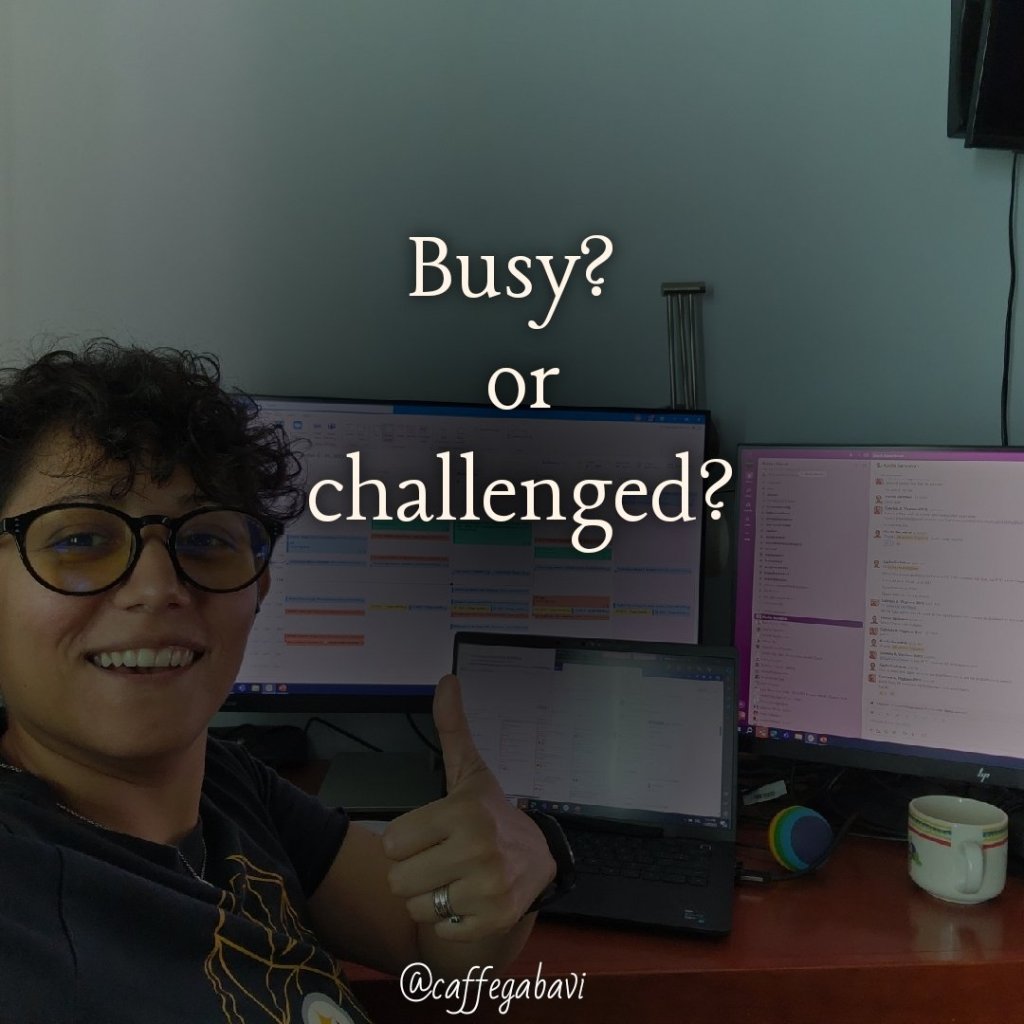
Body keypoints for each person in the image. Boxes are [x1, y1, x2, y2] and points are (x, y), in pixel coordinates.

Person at [0, 340, 562, 1023]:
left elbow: (431, 948)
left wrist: (518, 863)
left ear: (258, 585)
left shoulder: (227, 785)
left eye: (205, 540)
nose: (156, 587)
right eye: (80, 540)